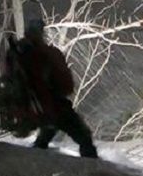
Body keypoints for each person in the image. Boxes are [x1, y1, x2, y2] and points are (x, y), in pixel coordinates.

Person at [8, 18, 98, 158]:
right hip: (51, 104)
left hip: (35, 107)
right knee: (83, 137)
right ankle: (93, 169)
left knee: (48, 131)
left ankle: (37, 154)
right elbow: (65, 83)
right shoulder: (46, 53)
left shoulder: (17, 54)